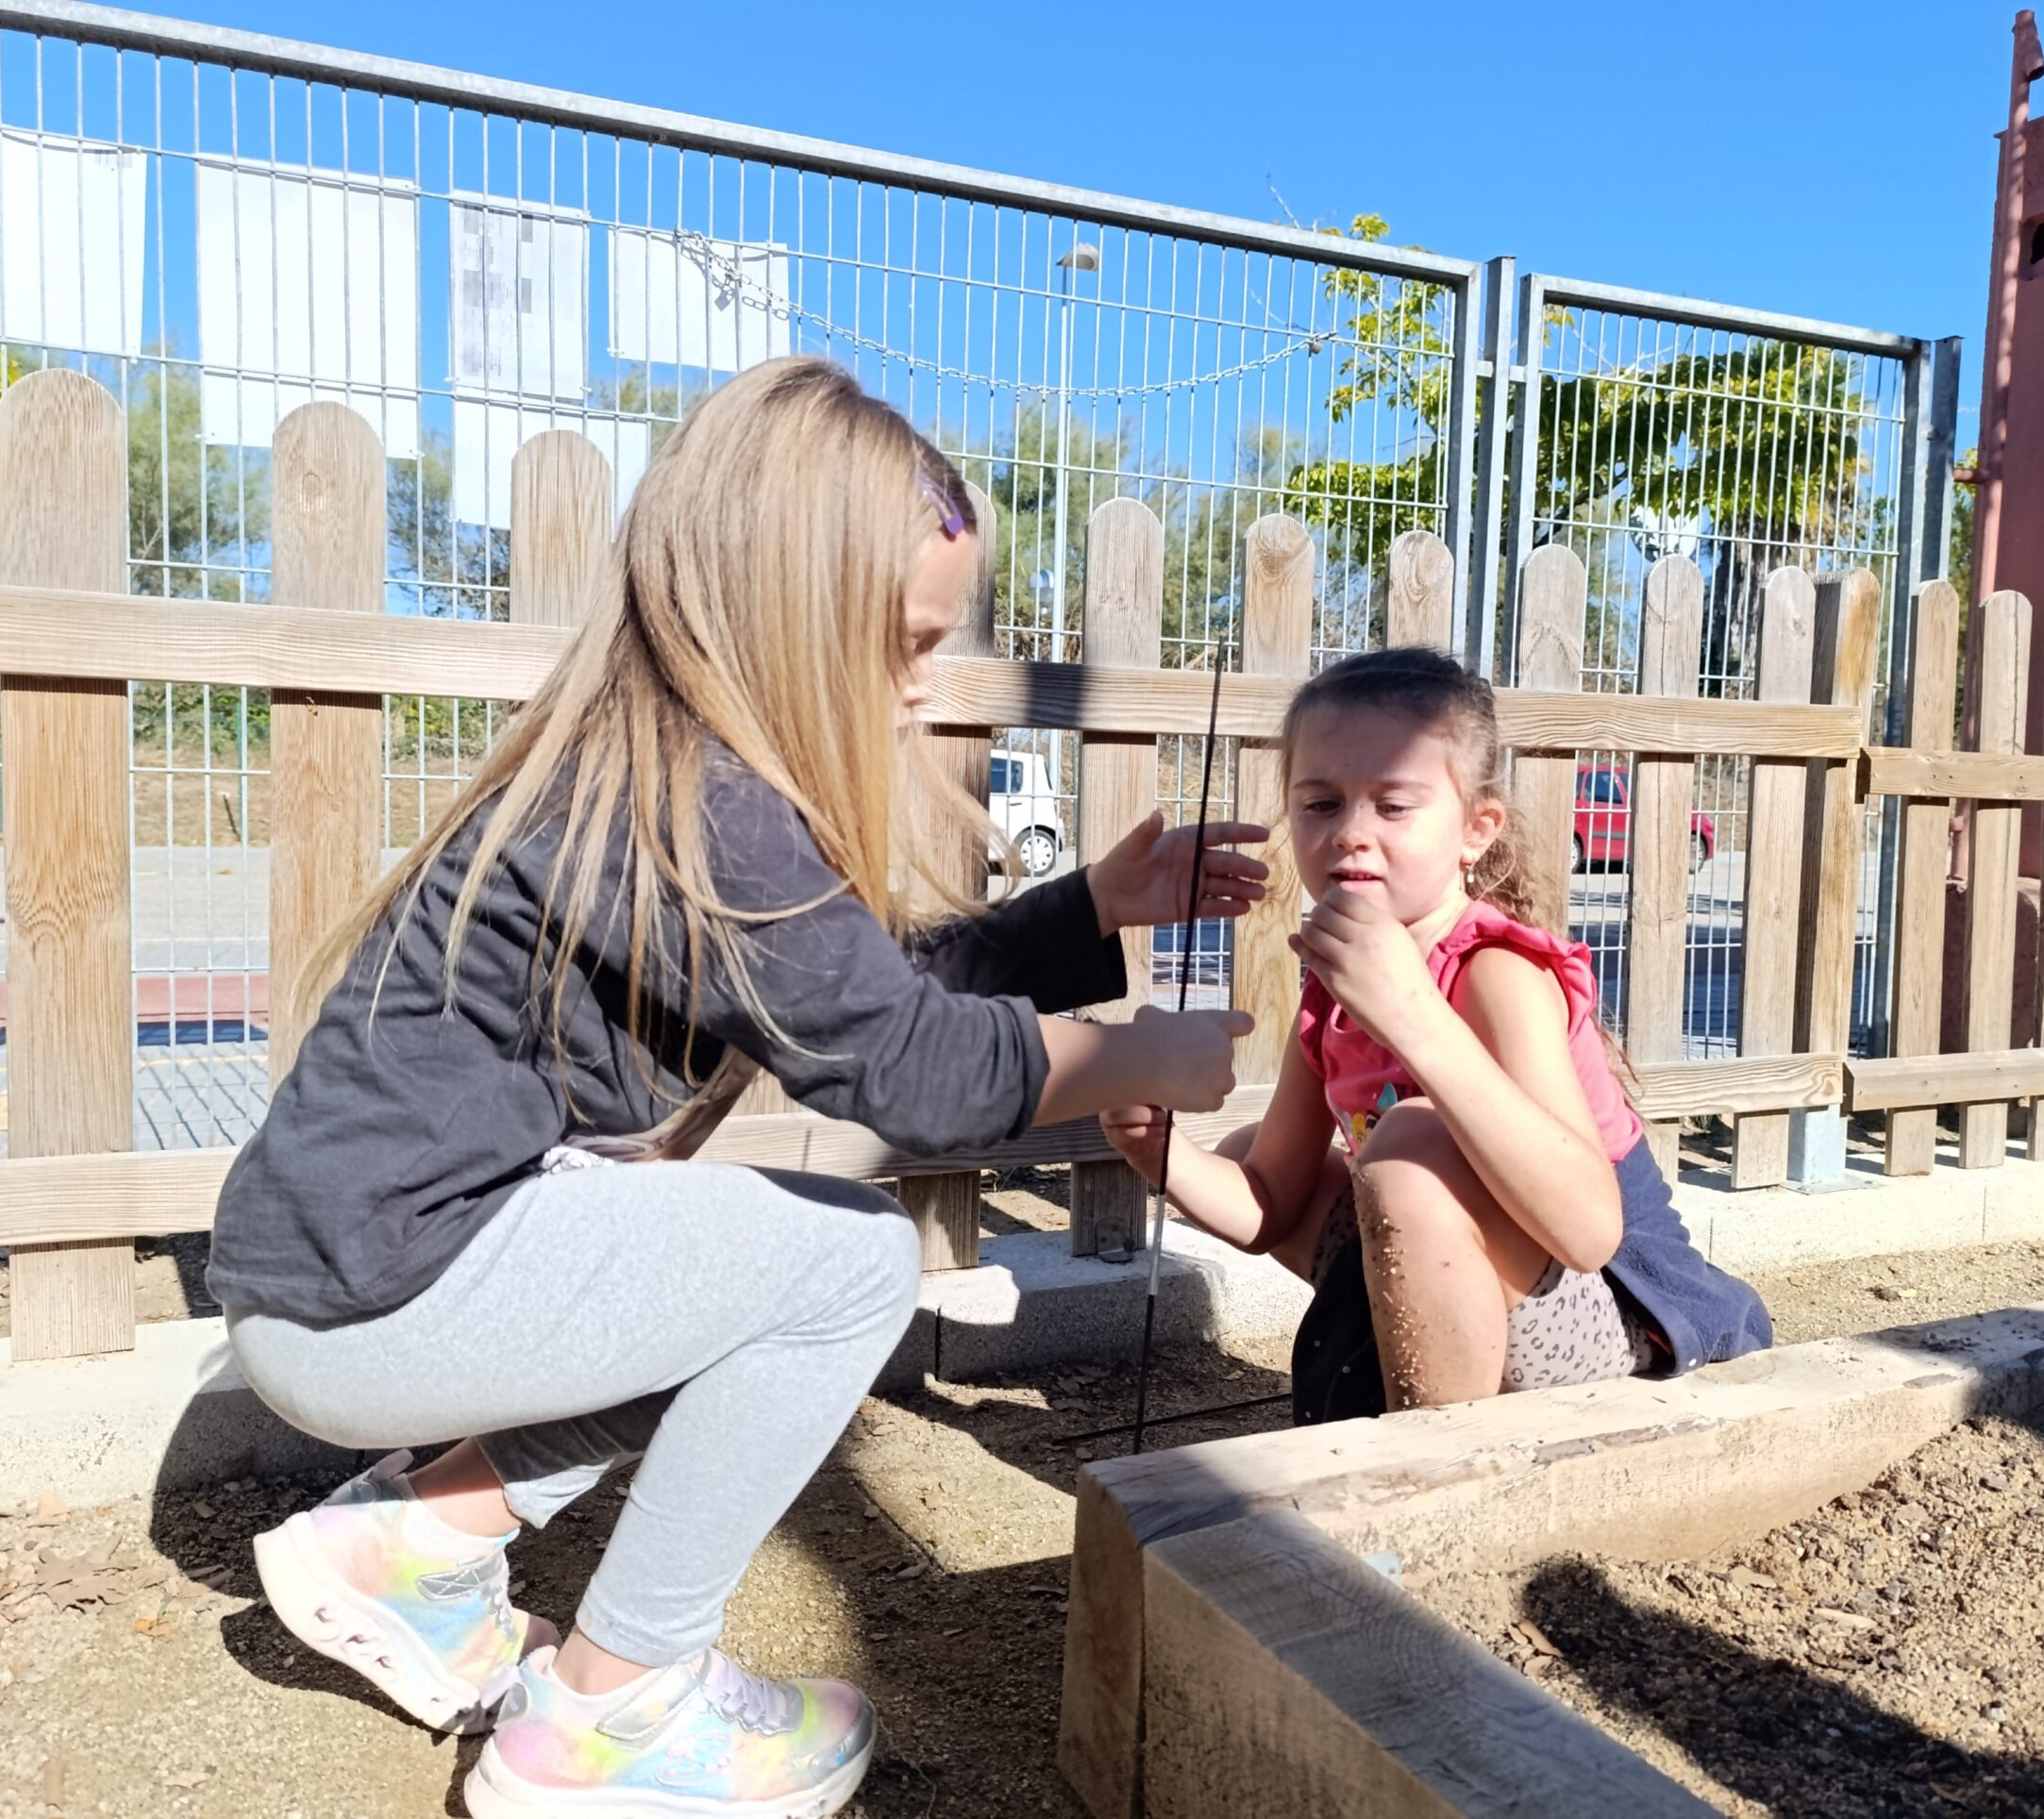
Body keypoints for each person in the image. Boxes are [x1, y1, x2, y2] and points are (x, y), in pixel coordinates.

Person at [207, 357, 1265, 1818]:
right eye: (904, 642)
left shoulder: (648, 773)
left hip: (354, 1282)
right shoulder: (692, 809)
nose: (923, 684)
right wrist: (1139, 1056)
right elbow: (901, 1066)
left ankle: (416, 1546)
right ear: (784, 615)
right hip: (375, 1304)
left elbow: (862, 995)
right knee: (846, 1264)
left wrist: (1089, 906)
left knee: (726, 1278)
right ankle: (612, 1716)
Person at [1101, 645, 1768, 1423]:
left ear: (1476, 830)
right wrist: (1159, 1150)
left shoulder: (1496, 972)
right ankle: (1412, 1398)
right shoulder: (1331, 989)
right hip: (1486, 1293)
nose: (1350, 833)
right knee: (1256, 1148)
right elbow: (1272, 1205)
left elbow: (1589, 1231)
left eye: (1392, 806)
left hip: (1620, 1315)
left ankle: (1427, 1457)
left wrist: (1416, 1019)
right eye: (1320, 804)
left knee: (1412, 1140)